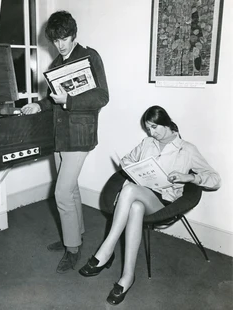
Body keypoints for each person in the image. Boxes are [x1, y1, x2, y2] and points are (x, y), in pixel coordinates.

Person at [78, 105, 221, 305]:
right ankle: (127, 277)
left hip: (164, 202)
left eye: (155, 127)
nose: (152, 133)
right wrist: (131, 168)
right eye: (148, 129)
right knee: (135, 207)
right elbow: (127, 159)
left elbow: (215, 179)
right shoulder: (147, 143)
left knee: (128, 191)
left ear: (167, 123)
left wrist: (188, 177)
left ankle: (106, 249)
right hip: (141, 197)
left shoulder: (186, 149)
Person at [21, 10, 109, 274]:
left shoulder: (90, 56)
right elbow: (52, 99)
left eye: (64, 37)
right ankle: (76, 235)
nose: (60, 44)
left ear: (73, 34)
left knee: (61, 193)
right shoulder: (55, 66)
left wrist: (69, 101)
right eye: (55, 40)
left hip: (80, 135)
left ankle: (72, 249)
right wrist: (38, 105)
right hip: (59, 136)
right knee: (70, 190)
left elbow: (102, 96)